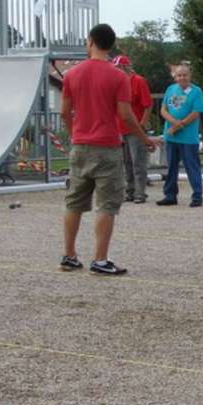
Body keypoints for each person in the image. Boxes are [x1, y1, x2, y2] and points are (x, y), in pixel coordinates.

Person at [61, 24, 157, 275]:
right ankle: (100, 260)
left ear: (90, 41)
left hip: (80, 146)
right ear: (111, 44)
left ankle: (69, 255)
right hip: (107, 147)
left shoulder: (71, 74)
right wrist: (144, 138)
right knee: (106, 204)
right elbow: (125, 116)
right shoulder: (119, 77)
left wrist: (75, 135)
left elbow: (64, 112)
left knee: (74, 202)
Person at [157, 64, 203, 207]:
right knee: (171, 167)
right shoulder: (170, 89)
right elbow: (163, 109)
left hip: (188, 138)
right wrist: (173, 123)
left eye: (185, 75)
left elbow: (196, 113)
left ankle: (197, 196)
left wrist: (179, 125)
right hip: (171, 136)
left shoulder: (196, 91)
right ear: (175, 77)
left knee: (192, 167)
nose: (182, 78)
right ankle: (170, 195)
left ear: (190, 76)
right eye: (179, 75)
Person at [113, 55, 153, 203]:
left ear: (125, 67)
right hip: (121, 128)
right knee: (126, 162)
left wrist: (142, 123)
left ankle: (140, 193)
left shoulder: (138, 81)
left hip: (135, 128)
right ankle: (130, 191)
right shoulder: (117, 83)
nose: (117, 70)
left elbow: (148, 105)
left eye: (119, 68)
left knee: (138, 162)